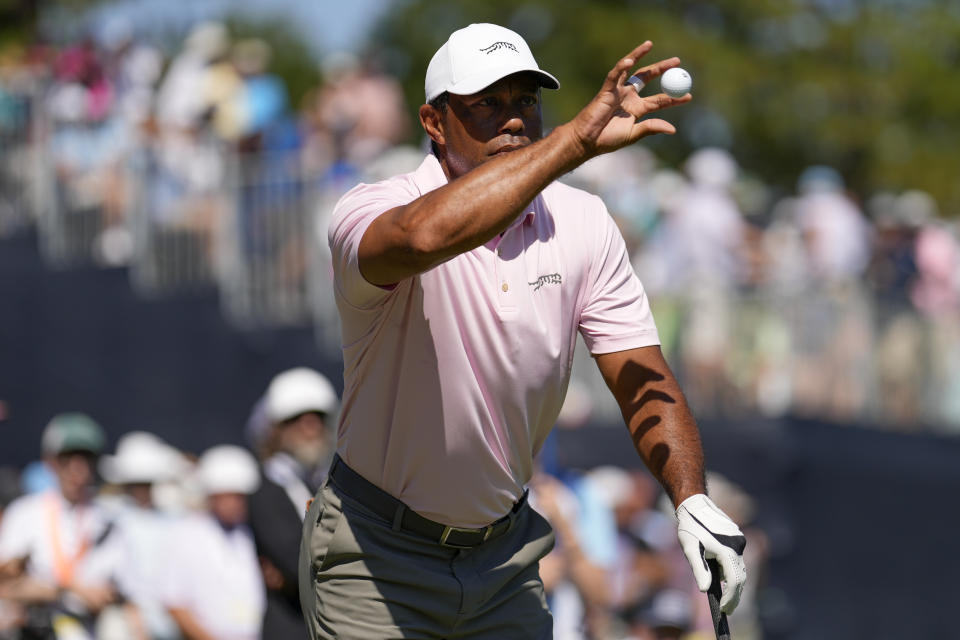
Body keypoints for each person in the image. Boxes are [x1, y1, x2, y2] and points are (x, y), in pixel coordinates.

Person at [300, 23, 746, 639]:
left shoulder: (585, 222)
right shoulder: (370, 207)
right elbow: (423, 238)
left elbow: (643, 381)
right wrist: (571, 144)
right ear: (434, 122)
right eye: (488, 103)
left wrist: (691, 498)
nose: (513, 120)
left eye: (526, 102)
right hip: (376, 553)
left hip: (504, 559)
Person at [0, 413, 117, 640]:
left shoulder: (109, 518)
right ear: (51, 462)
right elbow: (5, 585)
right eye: (67, 459)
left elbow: (115, 591)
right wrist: (69, 589)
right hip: (35, 630)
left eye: (86, 459)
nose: (77, 469)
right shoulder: (25, 514)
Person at [247, 367, 338, 640]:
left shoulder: (330, 482)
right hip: (291, 628)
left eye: (318, 419)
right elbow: (295, 562)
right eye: (297, 420)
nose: (310, 429)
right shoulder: (265, 489)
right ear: (277, 429)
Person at [159, 445, 265, 640]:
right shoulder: (186, 534)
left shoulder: (250, 533)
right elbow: (174, 602)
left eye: (239, 496)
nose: (234, 503)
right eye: (227, 496)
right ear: (211, 494)